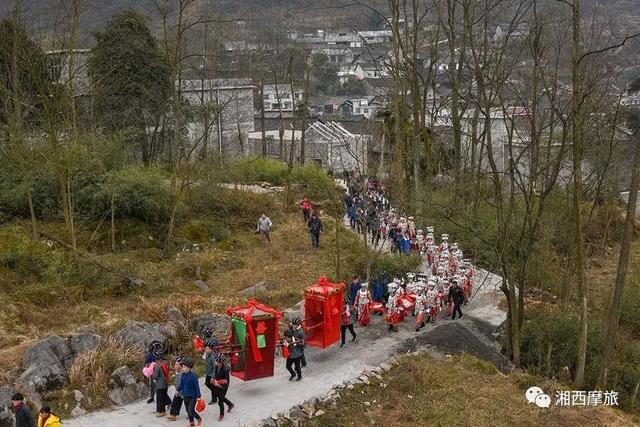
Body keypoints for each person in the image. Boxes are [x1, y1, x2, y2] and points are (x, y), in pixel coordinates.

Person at [177, 358, 203, 427]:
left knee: (190, 410)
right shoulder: (183, 375)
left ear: (188, 368)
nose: (182, 368)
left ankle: (199, 419)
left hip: (192, 396)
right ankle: (192, 423)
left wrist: (198, 396)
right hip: (185, 395)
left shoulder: (193, 376)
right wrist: (178, 390)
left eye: (184, 367)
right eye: (182, 367)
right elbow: (181, 384)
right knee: (187, 410)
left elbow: (196, 386)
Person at [211, 353, 234, 421]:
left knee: (220, 401)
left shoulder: (225, 369)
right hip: (217, 385)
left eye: (215, 360)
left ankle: (221, 414)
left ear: (220, 362)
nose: (214, 362)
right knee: (221, 397)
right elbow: (215, 374)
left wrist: (217, 383)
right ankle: (230, 404)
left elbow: (226, 381)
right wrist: (213, 378)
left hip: (224, 386)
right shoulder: (216, 367)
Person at [152, 350, 171, 417]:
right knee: (163, 396)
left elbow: (155, 376)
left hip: (160, 385)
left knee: (159, 398)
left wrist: (151, 373)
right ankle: (166, 405)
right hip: (165, 383)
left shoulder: (157, 366)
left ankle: (161, 411)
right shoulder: (165, 363)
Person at [167, 356, 185, 421]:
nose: (175, 365)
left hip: (184, 391)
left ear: (181, 365)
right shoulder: (177, 371)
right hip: (178, 391)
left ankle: (191, 415)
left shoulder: (183, 372)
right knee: (175, 402)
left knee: (188, 405)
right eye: (175, 364)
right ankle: (173, 415)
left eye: (177, 364)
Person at [203, 340, 217, 405]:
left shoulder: (212, 357)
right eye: (205, 348)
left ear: (211, 349)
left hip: (211, 374)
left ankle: (214, 399)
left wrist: (213, 377)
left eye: (206, 348)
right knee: (207, 383)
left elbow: (215, 368)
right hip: (208, 373)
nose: (205, 349)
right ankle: (216, 392)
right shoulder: (208, 355)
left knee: (212, 386)